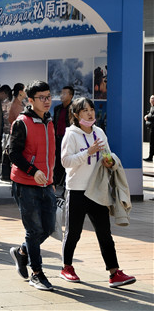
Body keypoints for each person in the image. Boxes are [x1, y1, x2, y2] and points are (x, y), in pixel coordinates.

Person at [59, 97, 136, 288]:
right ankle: (67, 267)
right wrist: (88, 152)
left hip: (97, 190)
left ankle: (114, 272)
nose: (90, 113)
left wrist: (110, 161)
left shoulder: (99, 132)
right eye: (85, 110)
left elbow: (108, 153)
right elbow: (65, 161)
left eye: (91, 109)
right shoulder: (71, 135)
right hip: (76, 190)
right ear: (76, 115)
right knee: (73, 233)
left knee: (105, 233)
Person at [8, 80, 57, 291]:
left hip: (46, 183)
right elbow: (13, 153)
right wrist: (33, 171)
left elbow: (50, 155)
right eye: (42, 98)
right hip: (25, 183)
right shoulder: (22, 122)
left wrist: (51, 180)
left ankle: (21, 253)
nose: (47, 101)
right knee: (33, 229)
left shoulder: (49, 121)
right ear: (31, 100)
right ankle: (37, 273)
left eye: (48, 96)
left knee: (48, 228)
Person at [53, 86, 74, 186]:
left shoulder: (74, 109)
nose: (62, 95)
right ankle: (57, 180)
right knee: (57, 159)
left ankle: (66, 181)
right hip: (57, 138)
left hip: (69, 139)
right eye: (61, 93)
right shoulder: (57, 109)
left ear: (71, 96)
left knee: (67, 159)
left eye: (65, 93)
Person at [143, 95, 154, 162]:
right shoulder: (152, 107)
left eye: (153, 98)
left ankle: (150, 157)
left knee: (152, 144)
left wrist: (147, 117)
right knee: (152, 143)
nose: (152, 99)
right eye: (151, 98)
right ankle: (150, 157)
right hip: (152, 128)